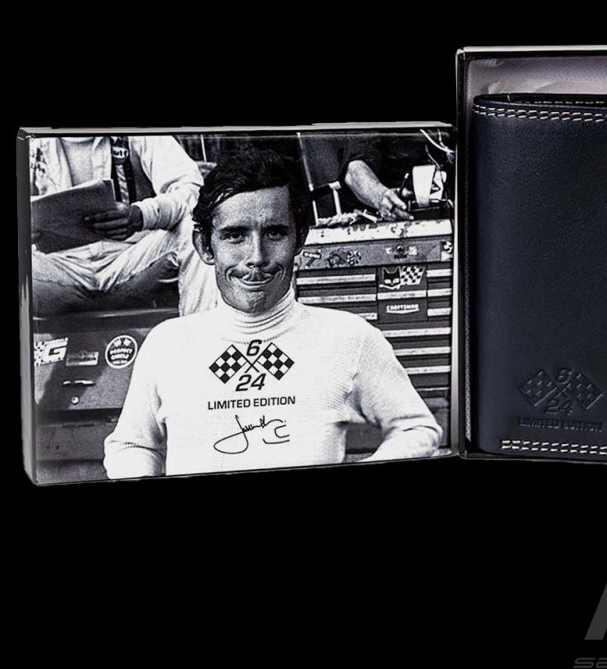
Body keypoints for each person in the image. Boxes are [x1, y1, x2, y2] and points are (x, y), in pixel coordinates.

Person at [103, 148, 442, 478]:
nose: (256, 257)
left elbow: (416, 428)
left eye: (274, 232)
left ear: (299, 238)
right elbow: (132, 445)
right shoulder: (168, 344)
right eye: (235, 235)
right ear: (205, 246)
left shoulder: (350, 337)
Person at [30, 135, 219, 316]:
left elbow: (192, 191)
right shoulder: (29, 140)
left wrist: (141, 215)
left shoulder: (142, 135)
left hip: (134, 263)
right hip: (58, 272)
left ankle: (201, 334)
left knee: (196, 227)